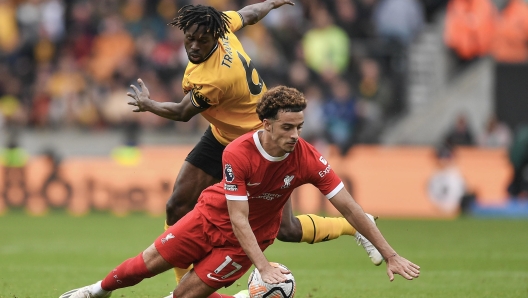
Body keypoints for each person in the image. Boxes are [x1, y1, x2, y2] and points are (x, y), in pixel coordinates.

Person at [59, 86, 420, 298]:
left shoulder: (307, 157)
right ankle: (95, 292)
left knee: (183, 297)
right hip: (207, 219)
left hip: (241, 244)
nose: (295, 135)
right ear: (266, 124)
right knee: (140, 267)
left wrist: (390, 253)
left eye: (300, 126)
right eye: (287, 127)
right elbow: (237, 215)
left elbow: (350, 206)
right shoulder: (238, 152)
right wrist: (264, 269)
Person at [125, 0, 383, 284]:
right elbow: (247, 14)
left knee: (287, 229)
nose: (195, 46)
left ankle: (354, 225)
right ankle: (182, 286)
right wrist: (270, 3)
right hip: (222, 134)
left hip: (258, 142)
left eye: (202, 40)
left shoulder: (215, 78)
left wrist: (148, 104)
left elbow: (182, 112)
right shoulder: (221, 25)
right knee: (177, 205)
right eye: (190, 39)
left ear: (213, 37)